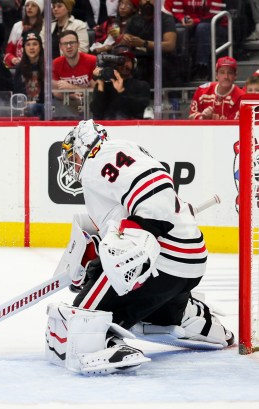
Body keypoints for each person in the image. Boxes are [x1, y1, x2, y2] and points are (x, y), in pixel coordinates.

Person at [48, 119, 234, 374]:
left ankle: (100, 342)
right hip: (187, 267)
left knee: (79, 323)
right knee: (134, 299)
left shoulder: (99, 159)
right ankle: (182, 316)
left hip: (162, 263)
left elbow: (155, 191)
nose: (73, 162)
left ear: (83, 147)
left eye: (73, 155)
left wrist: (142, 232)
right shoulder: (121, 152)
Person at [163, 0, 227, 81]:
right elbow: (177, 12)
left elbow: (213, 16)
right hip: (190, 23)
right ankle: (179, 70)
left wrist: (195, 21)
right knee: (178, 29)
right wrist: (183, 19)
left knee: (202, 28)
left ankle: (202, 67)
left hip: (216, 25)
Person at [122, 0, 178, 87]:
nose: (148, 1)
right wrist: (125, 39)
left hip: (161, 58)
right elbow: (125, 42)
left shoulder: (166, 19)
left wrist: (144, 43)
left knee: (160, 65)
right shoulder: (133, 20)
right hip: (139, 58)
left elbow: (170, 45)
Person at [90, 46, 150, 119]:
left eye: (127, 60)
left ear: (134, 63)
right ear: (113, 64)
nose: (124, 64)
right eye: (120, 61)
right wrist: (100, 85)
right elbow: (97, 113)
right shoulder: (105, 85)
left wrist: (121, 91)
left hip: (133, 128)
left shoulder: (142, 85)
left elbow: (139, 110)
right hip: (107, 128)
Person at [52, 30, 97, 119]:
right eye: (65, 44)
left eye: (72, 43)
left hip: (90, 104)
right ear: (60, 47)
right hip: (67, 105)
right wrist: (71, 95)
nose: (69, 46)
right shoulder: (55, 64)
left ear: (78, 44)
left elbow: (96, 91)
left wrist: (71, 87)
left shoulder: (92, 61)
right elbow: (55, 92)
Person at [189, 56, 243, 120]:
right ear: (216, 75)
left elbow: (236, 126)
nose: (226, 77)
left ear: (235, 76)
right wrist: (202, 117)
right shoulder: (202, 91)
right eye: (222, 72)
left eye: (230, 73)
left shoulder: (241, 97)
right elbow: (191, 116)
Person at [12, 31, 45, 120]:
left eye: (35, 44)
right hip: (23, 106)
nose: (31, 47)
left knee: (34, 108)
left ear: (40, 47)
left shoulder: (47, 66)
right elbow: (16, 91)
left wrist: (36, 102)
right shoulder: (19, 68)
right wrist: (24, 103)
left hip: (43, 106)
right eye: (28, 44)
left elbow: (49, 93)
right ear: (23, 48)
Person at [3, 0, 44, 69]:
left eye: (33, 5)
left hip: (40, 68)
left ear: (39, 9)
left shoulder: (46, 27)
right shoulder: (17, 26)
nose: (29, 8)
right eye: (27, 5)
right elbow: (8, 53)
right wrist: (13, 59)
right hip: (19, 68)